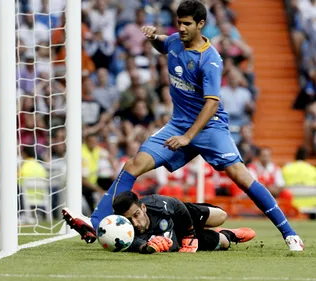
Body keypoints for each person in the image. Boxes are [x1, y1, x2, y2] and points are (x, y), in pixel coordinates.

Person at [63, 0, 303, 251]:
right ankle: (95, 221)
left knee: (241, 178)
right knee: (133, 165)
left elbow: (211, 104)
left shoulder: (210, 60)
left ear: (201, 25)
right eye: (179, 23)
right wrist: (154, 36)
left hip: (211, 127)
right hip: (178, 124)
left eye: (187, 24)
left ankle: (289, 233)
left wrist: (188, 137)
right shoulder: (176, 40)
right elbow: (164, 45)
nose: (182, 28)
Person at [109, 191, 255, 253]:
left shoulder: (157, 203)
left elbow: (177, 205)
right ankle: (230, 234)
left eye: (136, 215)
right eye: (128, 220)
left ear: (143, 207)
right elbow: (131, 244)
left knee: (221, 216)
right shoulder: (122, 230)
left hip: (182, 216)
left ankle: (202, 226)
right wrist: (146, 248)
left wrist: (190, 235)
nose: (134, 223)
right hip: (176, 238)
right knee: (223, 242)